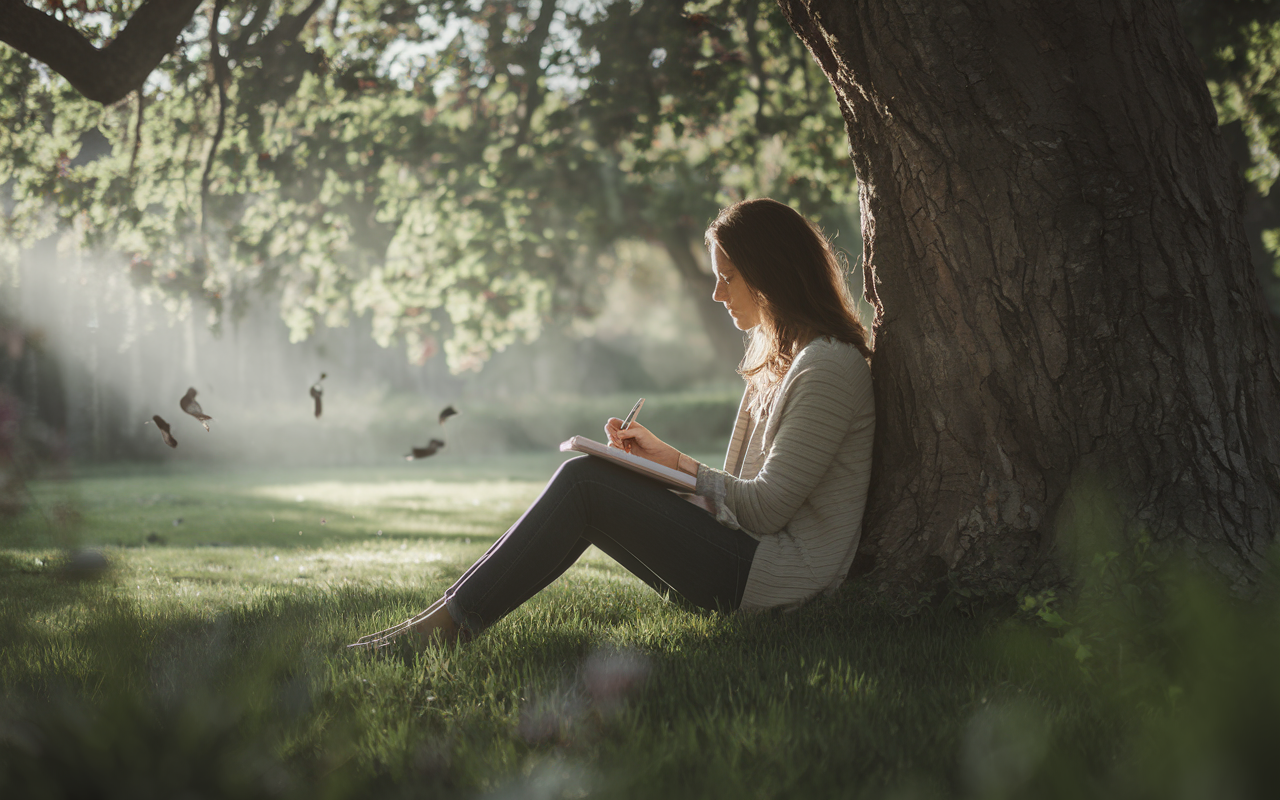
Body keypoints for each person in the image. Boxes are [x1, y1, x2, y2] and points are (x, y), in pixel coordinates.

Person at [351, 198, 875, 649]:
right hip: (750, 561)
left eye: (727, 277)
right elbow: (741, 505)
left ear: (771, 273)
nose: (717, 293)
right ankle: (440, 621)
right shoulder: (779, 361)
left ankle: (441, 628)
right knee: (596, 479)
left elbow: (765, 509)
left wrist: (677, 468)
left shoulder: (829, 365)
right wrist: (659, 466)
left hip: (780, 583)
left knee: (585, 484)